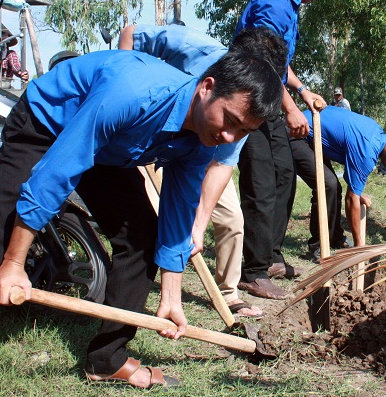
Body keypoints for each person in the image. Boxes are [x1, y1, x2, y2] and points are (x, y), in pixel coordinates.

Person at [0, 39, 284, 397]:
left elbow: (179, 208)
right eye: (229, 120)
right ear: (207, 86)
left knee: (142, 237)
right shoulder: (133, 93)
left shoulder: (203, 137)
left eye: (243, 131)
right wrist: (14, 263)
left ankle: (107, 359)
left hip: (111, 147)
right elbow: (59, 169)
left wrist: (172, 296)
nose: (229, 137)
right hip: (49, 124)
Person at [118, 23, 288, 318]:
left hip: (205, 150)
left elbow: (223, 163)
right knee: (149, 215)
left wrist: (199, 225)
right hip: (155, 134)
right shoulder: (195, 47)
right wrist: (126, 79)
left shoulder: (246, 107)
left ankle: (229, 293)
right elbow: (131, 33)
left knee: (232, 219)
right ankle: (144, 288)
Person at [234, 0, 337, 300]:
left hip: (269, 101)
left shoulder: (288, 4)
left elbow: (278, 62)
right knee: (262, 181)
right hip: (249, 104)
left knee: (284, 173)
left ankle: (270, 256)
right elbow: (262, 62)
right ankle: (252, 271)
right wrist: (292, 108)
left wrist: (302, 90)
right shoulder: (276, 3)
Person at [290, 106, 386, 261]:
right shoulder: (367, 151)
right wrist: (360, 246)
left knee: (333, 186)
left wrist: (357, 194)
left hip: (312, 133)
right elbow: (351, 200)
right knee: (328, 185)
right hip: (297, 132)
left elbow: (352, 177)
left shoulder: (375, 132)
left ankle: (335, 237)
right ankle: (318, 247)